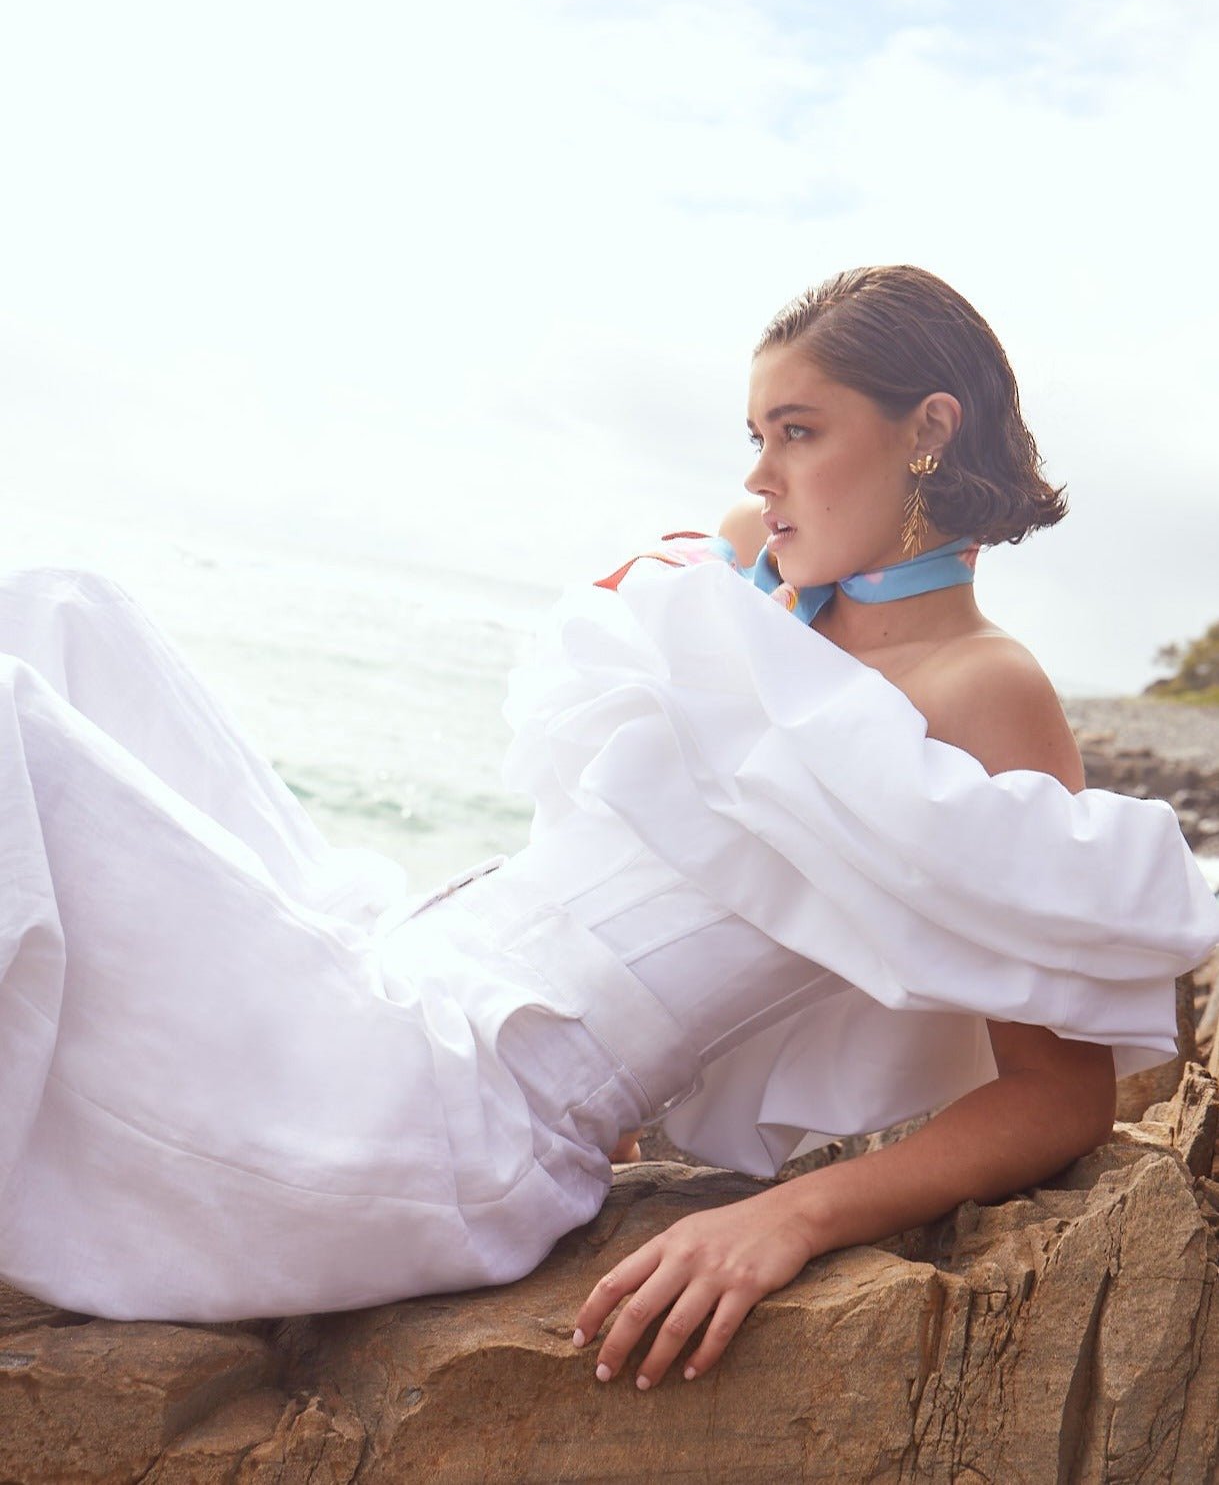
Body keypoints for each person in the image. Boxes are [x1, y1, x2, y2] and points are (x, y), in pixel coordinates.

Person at [1, 267, 1216, 1398]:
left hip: (434, 1110)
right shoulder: (749, 575)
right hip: (390, 972)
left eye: (799, 432)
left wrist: (789, 1216)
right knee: (60, 604)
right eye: (755, 436)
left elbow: (1057, 1095)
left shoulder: (982, 689)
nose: (759, 476)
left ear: (927, 431)